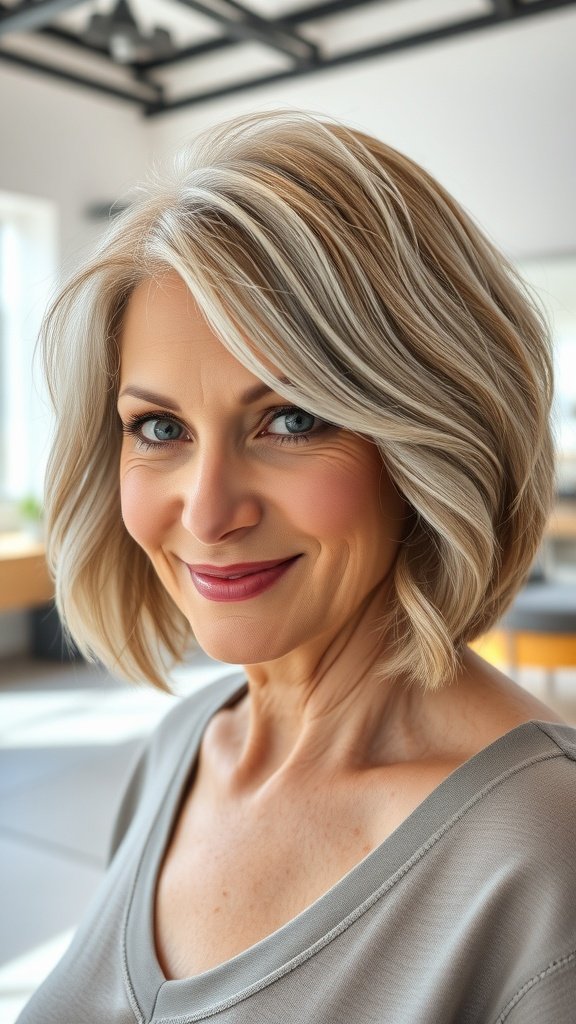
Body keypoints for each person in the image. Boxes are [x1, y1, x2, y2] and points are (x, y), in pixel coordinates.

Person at [18, 110, 576, 1023]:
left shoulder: (545, 849)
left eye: (292, 419)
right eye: (159, 428)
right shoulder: (184, 745)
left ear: (427, 439)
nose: (207, 512)